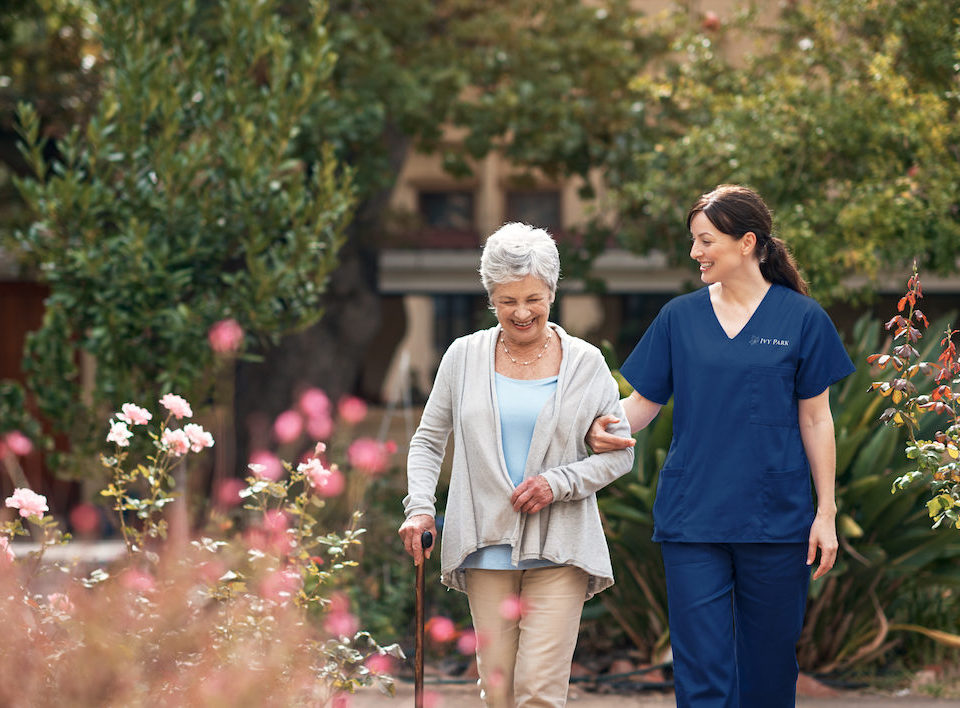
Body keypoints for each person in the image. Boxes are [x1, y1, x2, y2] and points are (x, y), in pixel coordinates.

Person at [587, 185, 855, 708]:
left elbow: (817, 419)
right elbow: (642, 404)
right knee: (700, 670)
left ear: (747, 242)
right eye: (694, 242)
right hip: (694, 519)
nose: (696, 253)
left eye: (706, 241)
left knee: (769, 670)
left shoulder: (802, 320)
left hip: (777, 521)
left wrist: (826, 512)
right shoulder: (678, 318)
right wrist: (599, 427)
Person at [399, 222, 635, 708]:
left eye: (533, 298)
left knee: (539, 691)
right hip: (485, 546)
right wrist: (420, 507)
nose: (522, 312)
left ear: (552, 291)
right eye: (508, 301)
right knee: (499, 691)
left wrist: (559, 482)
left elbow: (620, 454)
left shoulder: (586, 364)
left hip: (561, 547)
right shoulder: (463, 357)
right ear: (491, 298)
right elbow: (427, 441)